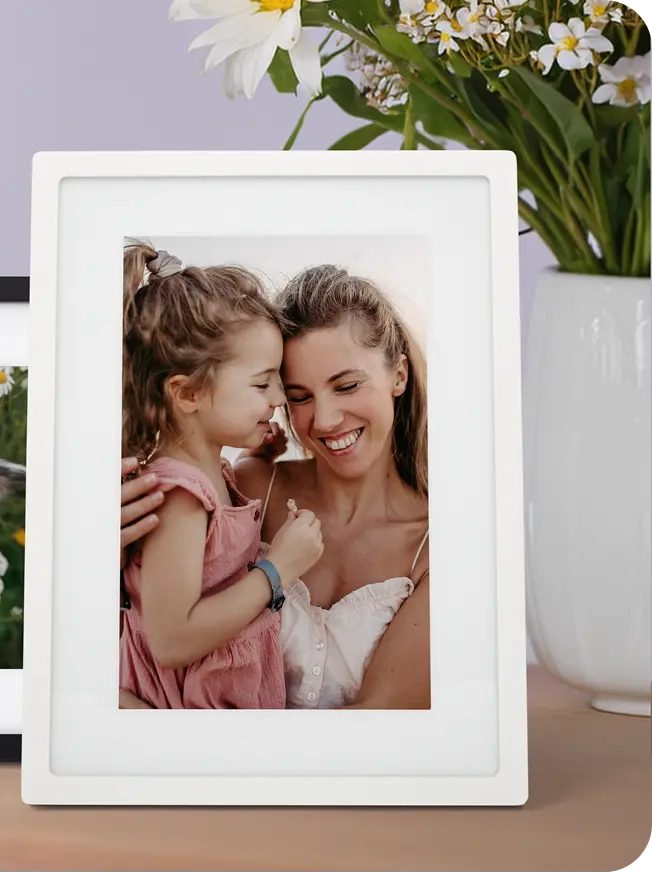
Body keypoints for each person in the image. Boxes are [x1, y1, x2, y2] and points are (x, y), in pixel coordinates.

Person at [120, 263, 431, 711]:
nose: (322, 420)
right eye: (298, 394)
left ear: (398, 375)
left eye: (346, 385)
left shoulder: (435, 546)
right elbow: (150, 638)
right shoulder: (241, 490)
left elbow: (375, 725)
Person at [117, 241, 323, 710]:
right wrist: (278, 570)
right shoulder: (180, 498)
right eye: (261, 382)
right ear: (187, 393)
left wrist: (263, 456)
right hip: (186, 720)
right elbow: (173, 639)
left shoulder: (207, 474)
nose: (278, 397)